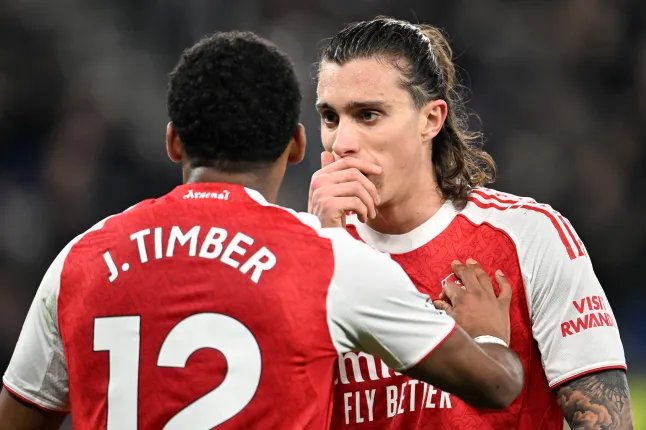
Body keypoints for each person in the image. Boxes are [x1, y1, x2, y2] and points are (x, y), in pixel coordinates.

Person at [0, 31, 524, 430]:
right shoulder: (331, 263)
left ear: (174, 143)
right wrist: (486, 334)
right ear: (296, 146)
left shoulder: (80, 261)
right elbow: (498, 385)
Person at [309, 17, 633, 430]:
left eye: (368, 115)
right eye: (330, 118)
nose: (342, 143)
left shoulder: (529, 237)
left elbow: (607, 422)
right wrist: (317, 251)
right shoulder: (301, 253)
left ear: (431, 119)